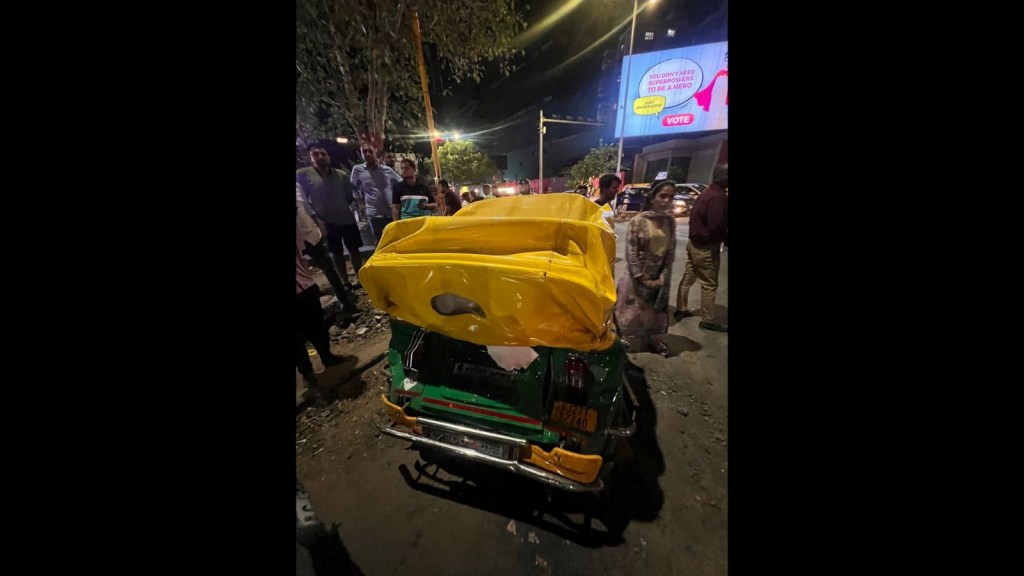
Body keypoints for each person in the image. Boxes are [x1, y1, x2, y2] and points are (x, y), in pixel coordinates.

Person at [615, 181, 678, 356]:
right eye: (663, 195)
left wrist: (663, 276)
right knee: (633, 311)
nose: (667, 200)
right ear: (653, 197)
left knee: (655, 310)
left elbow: (670, 250)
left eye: (671, 196)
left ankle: (653, 340)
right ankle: (625, 338)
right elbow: (631, 252)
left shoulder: (670, 222)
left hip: (660, 273)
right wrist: (643, 278)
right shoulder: (639, 221)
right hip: (639, 276)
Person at [296, 213, 352, 392]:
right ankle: (307, 372)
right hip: (303, 284)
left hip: (304, 284)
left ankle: (324, 358)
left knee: (317, 325)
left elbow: (301, 249)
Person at [296, 145, 366, 286]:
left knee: (354, 249)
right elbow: (303, 199)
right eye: (316, 154)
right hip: (326, 222)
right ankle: (345, 282)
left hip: (346, 219)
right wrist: (316, 219)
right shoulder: (304, 174)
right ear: (311, 158)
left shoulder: (341, 175)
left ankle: (361, 278)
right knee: (336, 252)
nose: (320, 156)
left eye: (323, 153)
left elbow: (349, 197)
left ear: (328, 156)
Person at [674, 164, 729, 332]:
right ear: (724, 177)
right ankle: (708, 319)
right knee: (710, 284)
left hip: (694, 243)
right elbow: (716, 226)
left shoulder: (706, 193)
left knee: (689, 276)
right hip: (705, 246)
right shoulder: (718, 197)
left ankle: (681, 309)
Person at [296, 184, 359, 315]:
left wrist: (318, 223)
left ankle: (346, 303)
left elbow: (306, 207)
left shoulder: (296, 185)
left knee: (329, 269)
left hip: (309, 234)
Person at [350, 145, 402, 242]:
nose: (367, 154)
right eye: (364, 152)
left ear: (375, 152)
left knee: (396, 240)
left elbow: (401, 183)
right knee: (379, 242)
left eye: (370, 151)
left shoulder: (386, 169)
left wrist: (398, 201)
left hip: (391, 213)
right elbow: (353, 187)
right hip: (374, 214)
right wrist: (360, 201)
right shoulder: (358, 170)